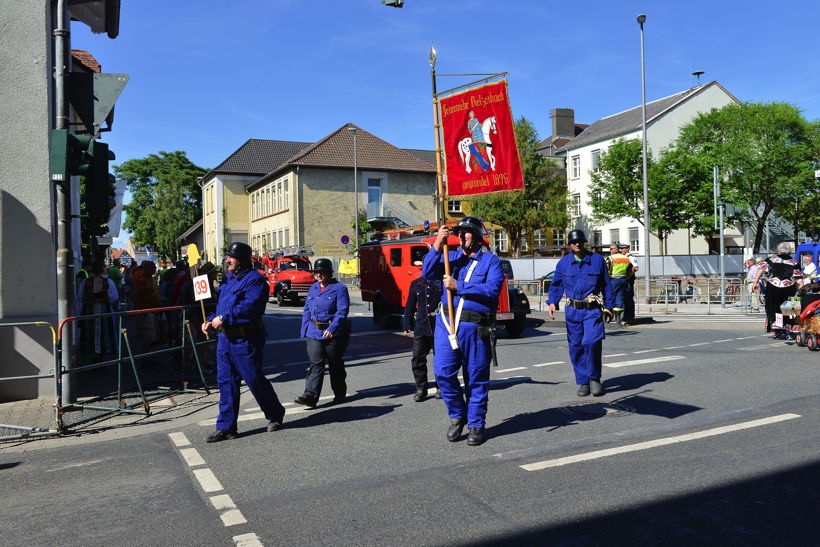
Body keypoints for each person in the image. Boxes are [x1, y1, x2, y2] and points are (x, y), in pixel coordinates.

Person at [422, 216, 504, 446]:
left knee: (476, 377)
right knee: (443, 373)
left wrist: (460, 286)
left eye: (465, 232)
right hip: (447, 325)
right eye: (458, 232)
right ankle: (458, 416)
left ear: (477, 237)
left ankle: (476, 424)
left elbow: (492, 290)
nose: (460, 236)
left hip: (476, 327)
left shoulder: (491, 262)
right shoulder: (452, 257)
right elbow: (428, 273)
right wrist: (438, 243)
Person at [201, 242, 285, 442]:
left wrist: (223, 318)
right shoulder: (228, 279)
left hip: (245, 338)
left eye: (231, 257)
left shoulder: (255, 281)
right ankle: (227, 426)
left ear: (243, 260)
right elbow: (221, 305)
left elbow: (249, 308)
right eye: (227, 256)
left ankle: (275, 413)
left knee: (254, 379)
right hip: (225, 339)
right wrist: (210, 319)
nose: (227, 260)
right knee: (226, 383)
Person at [547, 230, 614, 398]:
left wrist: (609, 306)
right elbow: (556, 285)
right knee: (576, 347)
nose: (577, 244)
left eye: (580, 241)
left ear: (584, 243)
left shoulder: (597, 261)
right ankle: (583, 381)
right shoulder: (563, 263)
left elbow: (606, 285)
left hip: (592, 310)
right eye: (574, 242)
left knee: (592, 342)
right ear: (570, 244)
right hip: (573, 310)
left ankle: (595, 378)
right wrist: (552, 302)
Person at [294, 258, 351, 408]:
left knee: (335, 364)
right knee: (316, 364)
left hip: (333, 333)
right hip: (313, 332)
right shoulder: (313, 288)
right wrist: (304, 331)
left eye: (321, 272)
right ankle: (310, 396)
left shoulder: (339, 288)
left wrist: (332, 329)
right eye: (316, 273)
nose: (318, 275)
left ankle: (339, 393)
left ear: (328, 273)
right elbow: (307, 310)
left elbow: (342, 311)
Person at [402, 270, 443, 402]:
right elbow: (410, 304)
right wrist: (407, 324)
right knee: (418, 358)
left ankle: (441, 387)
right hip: (421, 326)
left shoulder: (442, 283)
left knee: (441, 359)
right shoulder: (416, 284)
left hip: (439, 326)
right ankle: (421, 388)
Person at [753, 242, 802, 337]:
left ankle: (777, 328)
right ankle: (790, 329)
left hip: (773, 287)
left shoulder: (771, 259)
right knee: (790, 309)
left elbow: (760, 269)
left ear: (779, 251)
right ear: (789, 251)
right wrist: (800, 291)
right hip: (789, 287)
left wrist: (756, 282)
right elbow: (799, 279)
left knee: (773, 307)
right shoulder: (794, 262)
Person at [77, 260, 119, 360]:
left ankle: (93, 358)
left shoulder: (85, 282)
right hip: (104, 310)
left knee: (90, 334)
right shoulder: (108, 281)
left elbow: (80, 297)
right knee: (104, 334)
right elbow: (114, 297)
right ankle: (101, 358)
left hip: (89, 309)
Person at [605, 242, 631, 326]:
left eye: (611, 249)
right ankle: (618, 318)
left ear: (615, 249)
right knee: (619, 298)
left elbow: (606, 270)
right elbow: (631, 269)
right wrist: (626, 278)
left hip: (613, 280)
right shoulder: (626, 258)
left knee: (608, 296)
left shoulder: (610, 258)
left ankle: (606, 316)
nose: (610, 250)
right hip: (622, 279)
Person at [619, 242, 638, 323]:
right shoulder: (624, 256)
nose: (621, 250)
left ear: (627, 249)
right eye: (620, 249)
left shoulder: (630, 256)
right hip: (626, 279)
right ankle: (627, 316)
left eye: (623, 248)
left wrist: (627, 278)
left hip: (629, 280)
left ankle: (629, 317)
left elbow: (635, 268)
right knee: (626, 298)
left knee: (628, 298)